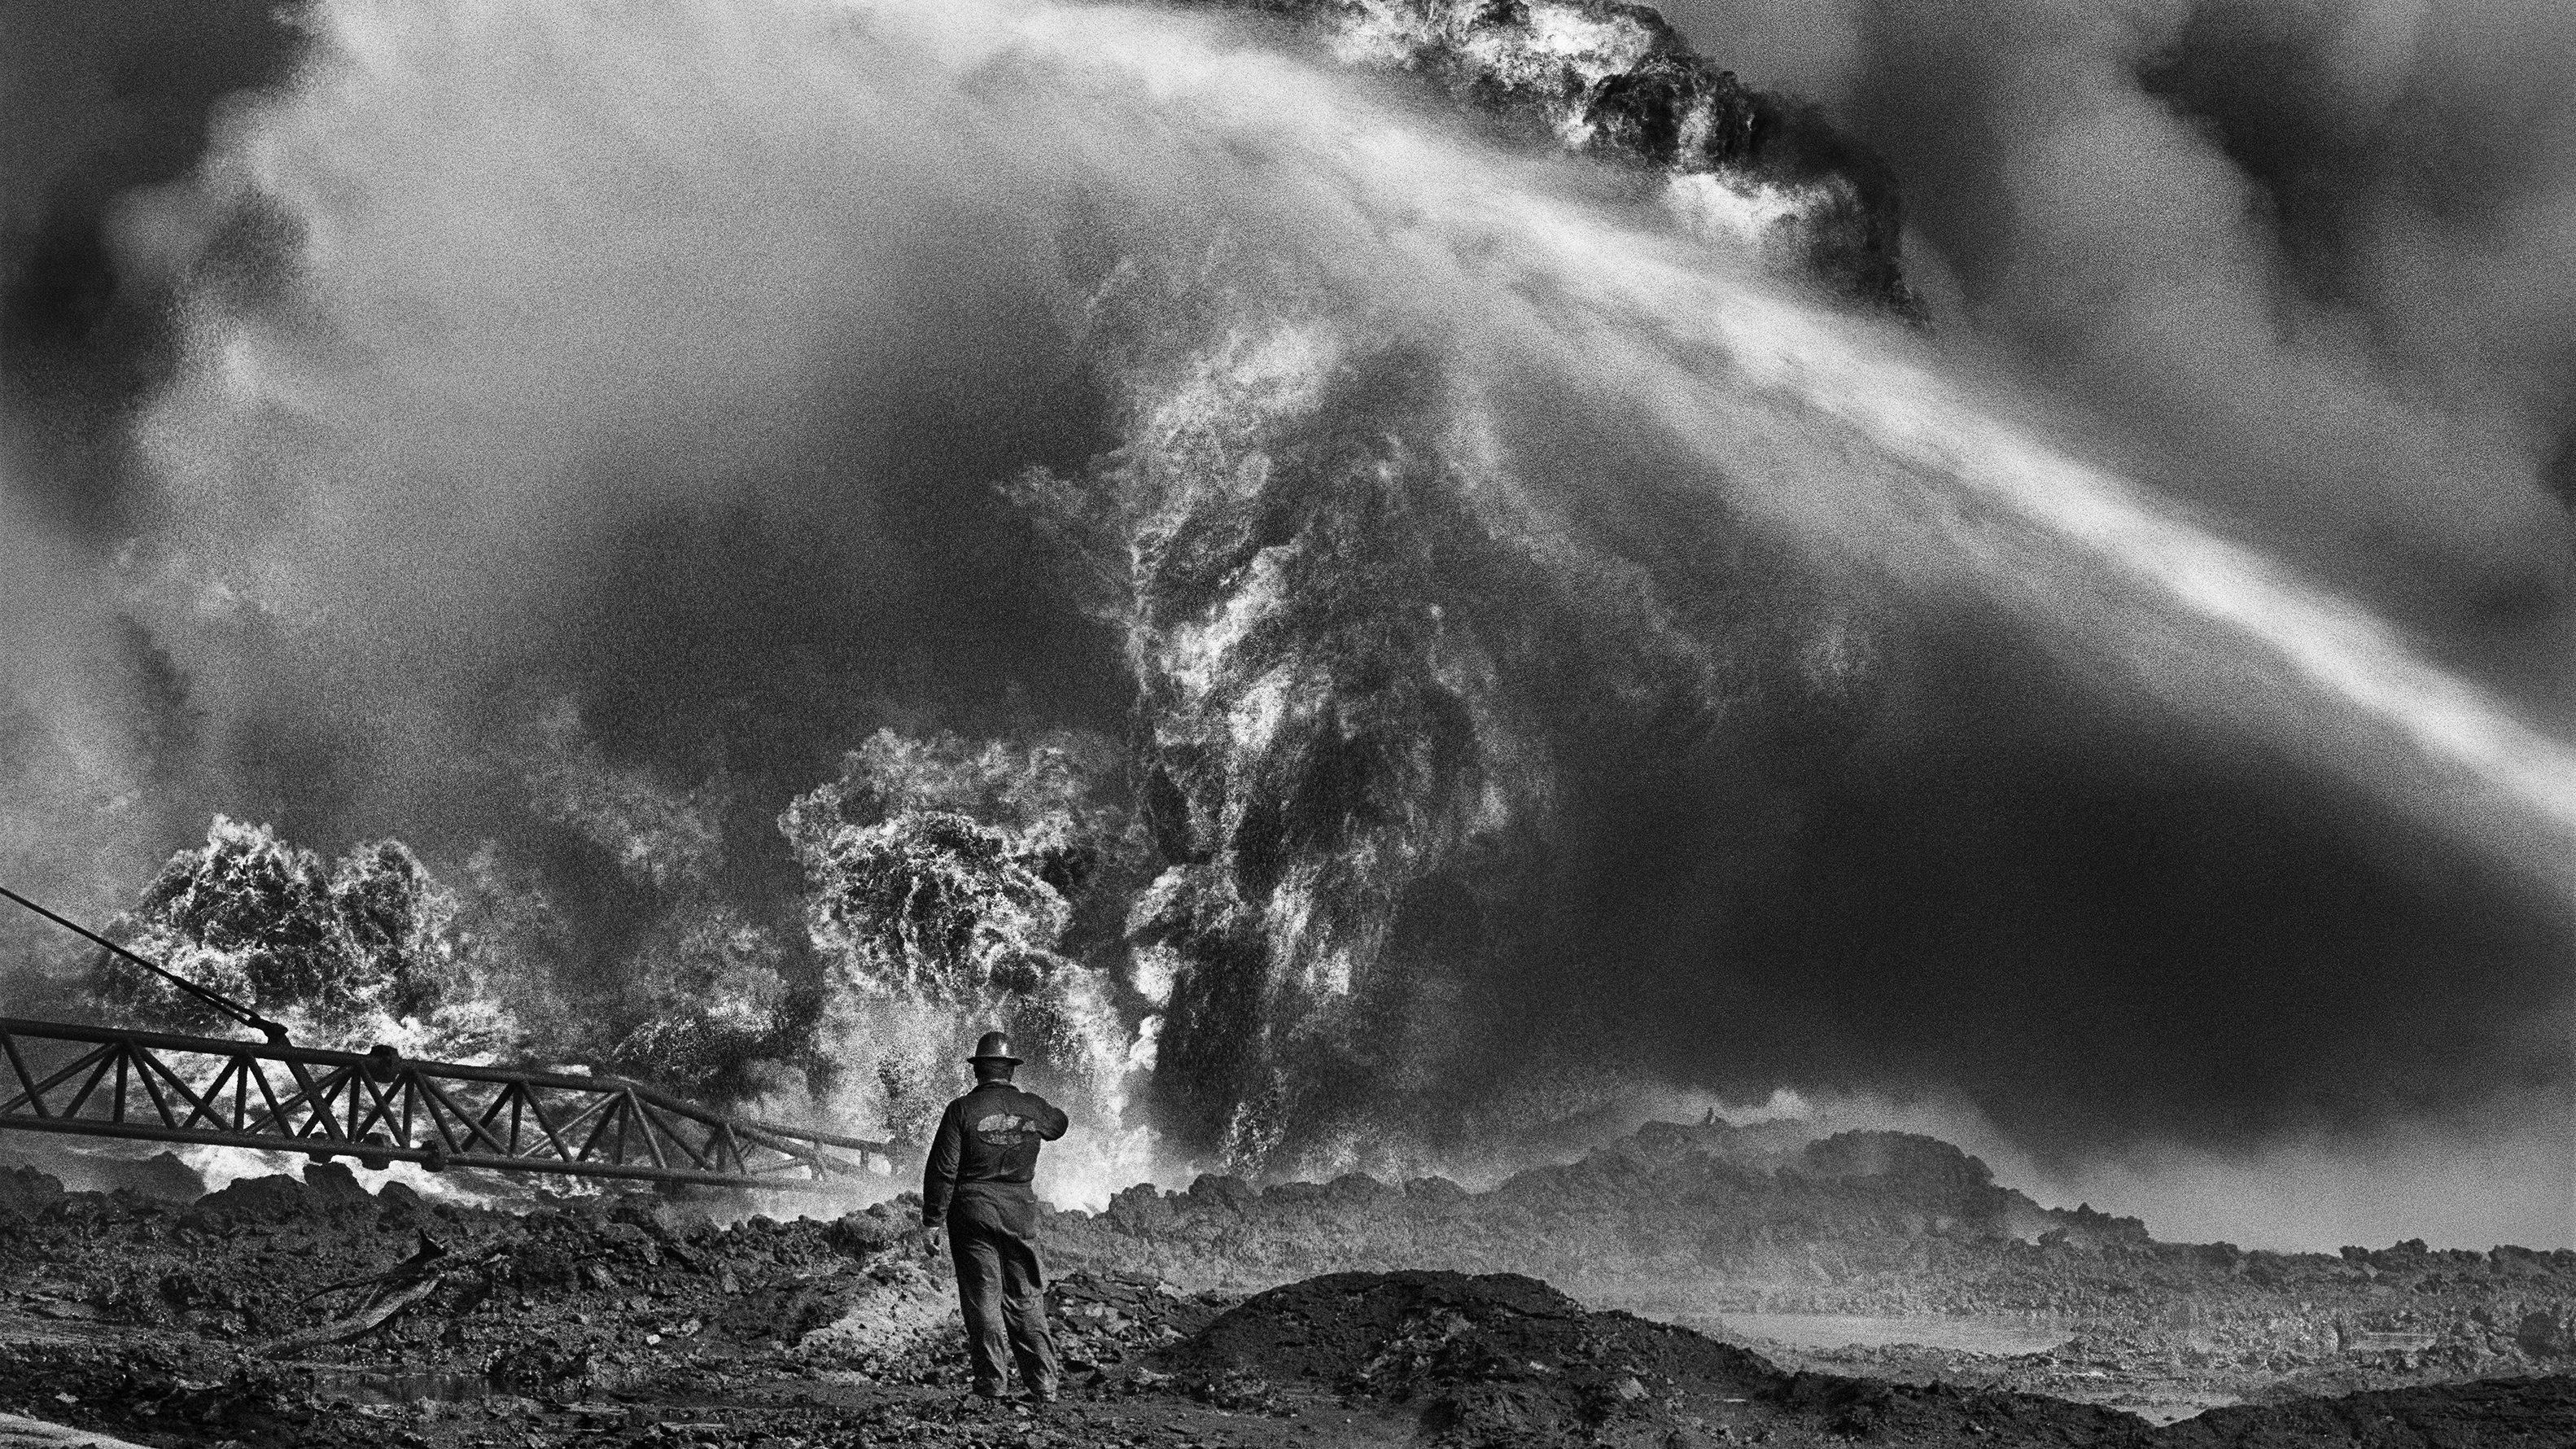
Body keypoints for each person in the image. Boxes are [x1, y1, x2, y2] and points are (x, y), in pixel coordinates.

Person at [920, 1030, 1070, 1402]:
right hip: (1019, 1213)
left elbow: (943, 1170)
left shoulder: (961, 1110)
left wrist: (931, 1220)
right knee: (1025, 1297)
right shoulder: (1033, 1108)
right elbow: (1059, 1124)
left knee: (982, 1298)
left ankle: (992, 1384)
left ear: (978, 1071)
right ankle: (1044, 1384)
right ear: (1011, 1070)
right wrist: (1026, 1118)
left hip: (971, 1215)